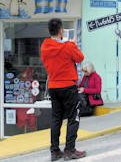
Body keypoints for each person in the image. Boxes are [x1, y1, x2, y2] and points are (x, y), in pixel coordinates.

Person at [41, 18, 86, 161]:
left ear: (49, 31)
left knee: (56, 119)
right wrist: (72, 44)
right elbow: (80, 58)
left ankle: (54, 151)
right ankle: (70, 150)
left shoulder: (44, 47)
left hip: (53, 87)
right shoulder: (68, 46)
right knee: (73, 117)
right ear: (61, 31)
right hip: (68, 86)